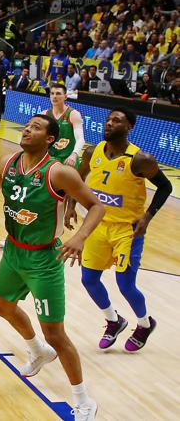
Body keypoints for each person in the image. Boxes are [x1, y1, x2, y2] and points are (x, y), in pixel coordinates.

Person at [0, 114, 103, 421]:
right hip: (14, 252)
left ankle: (83, 400)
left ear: (50, 139)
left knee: (56, 334)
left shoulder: (59, 173)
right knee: (2, 307)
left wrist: (81, 237)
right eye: (27, 125)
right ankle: (37, 351)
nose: (28, 129)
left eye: (37, 127)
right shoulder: (7, 162)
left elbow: (96, 206)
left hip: (45, 259)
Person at [66, 109, 172, 351]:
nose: (109, 123)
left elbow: (165, 187)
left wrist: (148, 216)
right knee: (88, 279)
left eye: (117, 121)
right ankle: (114, 321)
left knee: (125, 284)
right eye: (108, 119)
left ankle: (145, 324)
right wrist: (71, 205)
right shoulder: (93, 152)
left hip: (127, 230)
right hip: (97, 226)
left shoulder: (140, 159)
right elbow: (77, 180)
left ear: (129, 127)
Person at [47, 83, 84, 167]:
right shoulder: (45, 114)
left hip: (68, 159)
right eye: (52, 93)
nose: (54, 96)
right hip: (50, 159)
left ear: (65, 97)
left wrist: (74, 154)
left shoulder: (73, 114)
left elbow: (80, 139)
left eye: (58, 93)